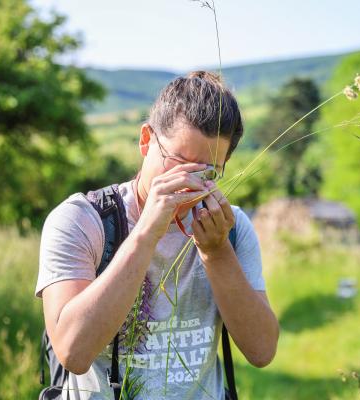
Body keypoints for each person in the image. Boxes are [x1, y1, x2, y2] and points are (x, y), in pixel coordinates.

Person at [35, 71, 279, 399]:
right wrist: (147, 232)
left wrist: (217, 252)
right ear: (146, 140)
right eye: (176, 161)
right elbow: (73, 352)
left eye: (205, 172)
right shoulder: (81, 220)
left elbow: (262, 351)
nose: (187, 181)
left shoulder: (230, 228)